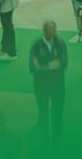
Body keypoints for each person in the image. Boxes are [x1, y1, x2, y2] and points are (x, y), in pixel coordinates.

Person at [29, 20, 68, 151]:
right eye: (52, 30)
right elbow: (33, 68)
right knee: (43, 115)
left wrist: (42, 67)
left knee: (57, 116)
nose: (55, 32)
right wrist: (51, 66)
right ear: (45, 31)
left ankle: (56, 145)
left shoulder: (60, 43)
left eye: (55, 29)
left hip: (58, 87)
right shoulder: (36, 45)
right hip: (41, 87)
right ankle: (44, 143)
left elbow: (63, 64)